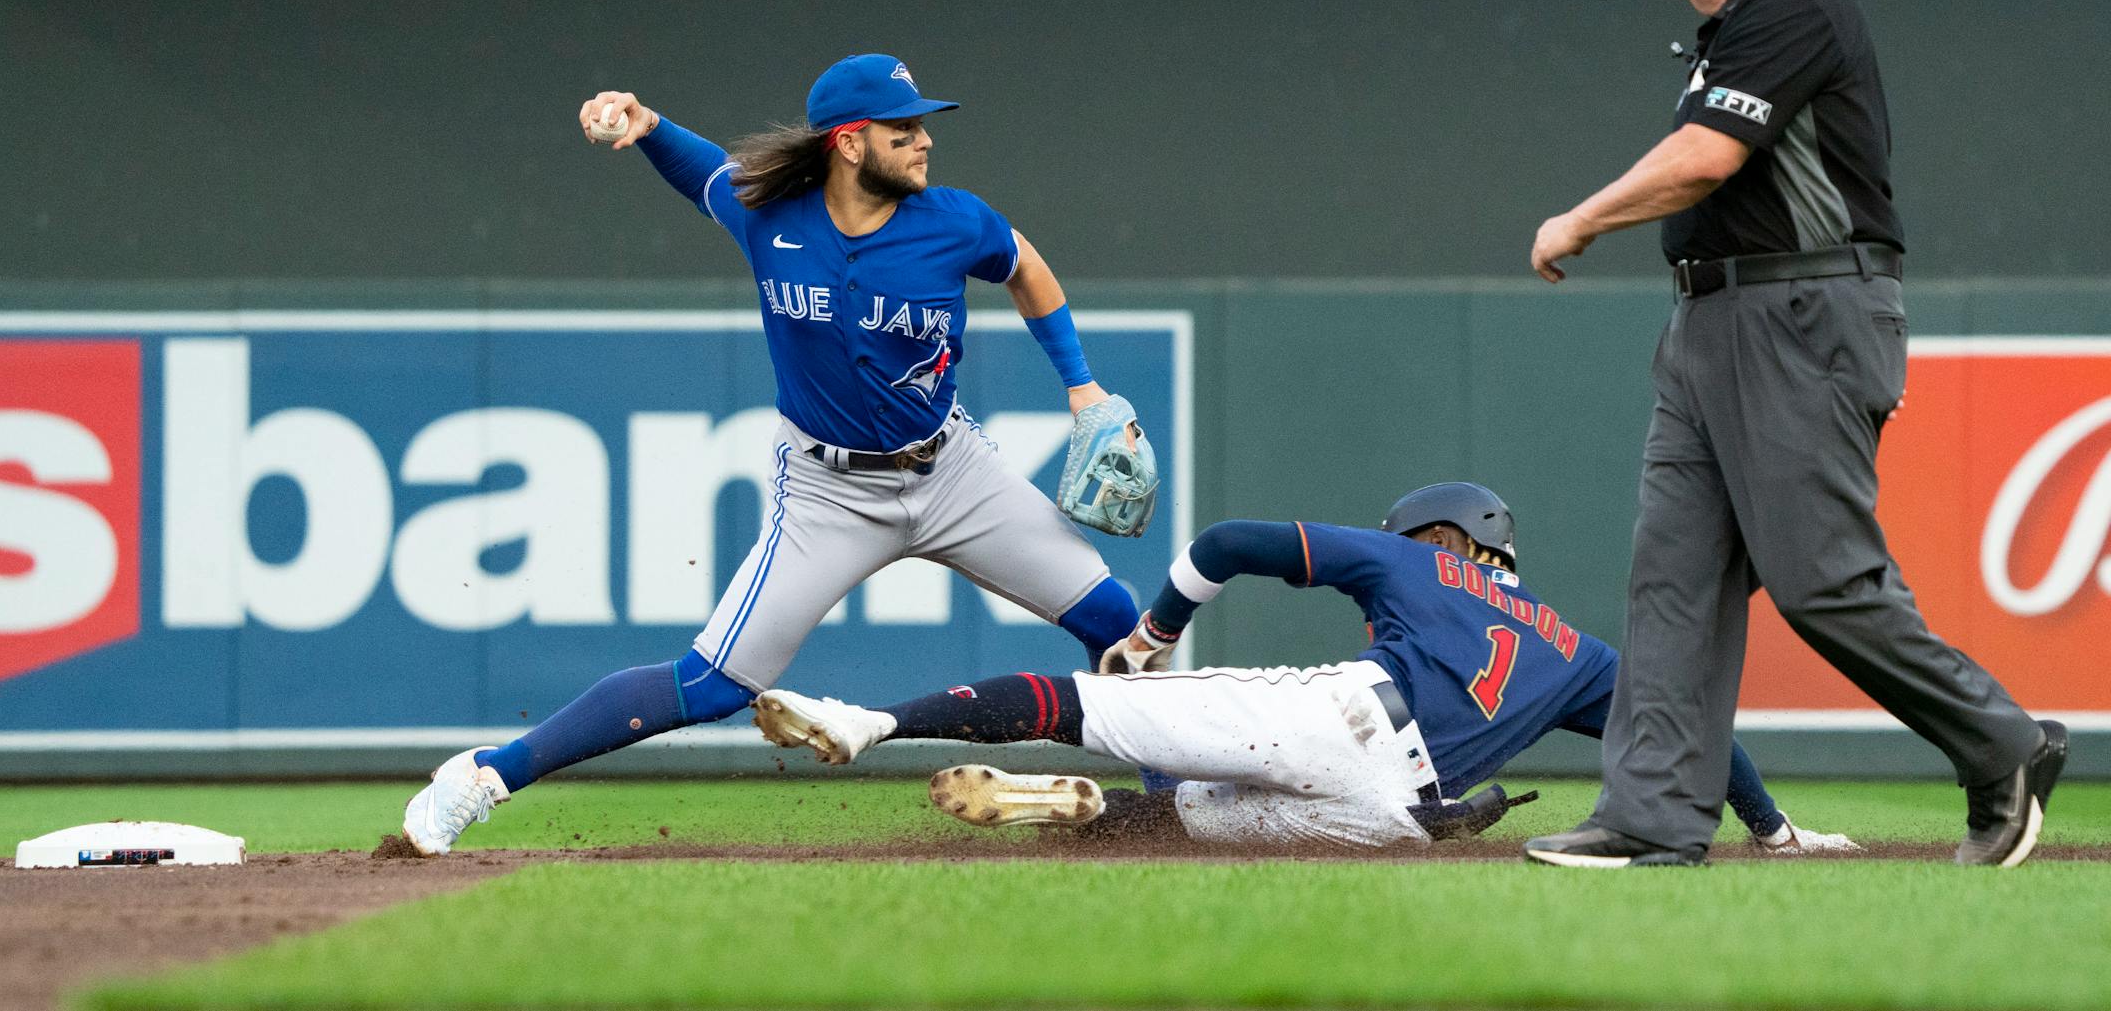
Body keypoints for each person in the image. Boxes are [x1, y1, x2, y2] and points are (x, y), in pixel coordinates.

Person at [401, 54, 1148, 855]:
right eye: (905, 129)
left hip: (951, 466)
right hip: (829, 491)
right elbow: (705, 176)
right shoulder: (772, 217)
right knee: (711, 683)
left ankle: (1173, 797)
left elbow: (1026, 266)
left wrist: (1083, 386)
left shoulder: (955, 221)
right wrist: (647, 125)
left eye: (924, 123)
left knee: (1115, 620)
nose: (925, 141)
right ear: (851, 144)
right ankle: (483, 775)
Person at [1523, 0, 2064, 869]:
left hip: (1800, 316)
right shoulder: (1742, 21)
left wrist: (1580, 220)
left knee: (1822, 579)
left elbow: (1705, 158)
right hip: (1712, 323)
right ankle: (1650, 816)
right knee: (1673, 575)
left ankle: (2002, 743)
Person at [754, 483, 1854, 853]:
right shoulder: (1580, 653)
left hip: (1346, 718)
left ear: (1451, 541)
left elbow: (1229, 541)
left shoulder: (1415, 561)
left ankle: (871, 724)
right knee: (1177, 824)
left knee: (1093, 699)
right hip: (1395, 815)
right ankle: (1066, 806)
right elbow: (1692, 734)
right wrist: (1772, 828)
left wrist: (1157, 630)